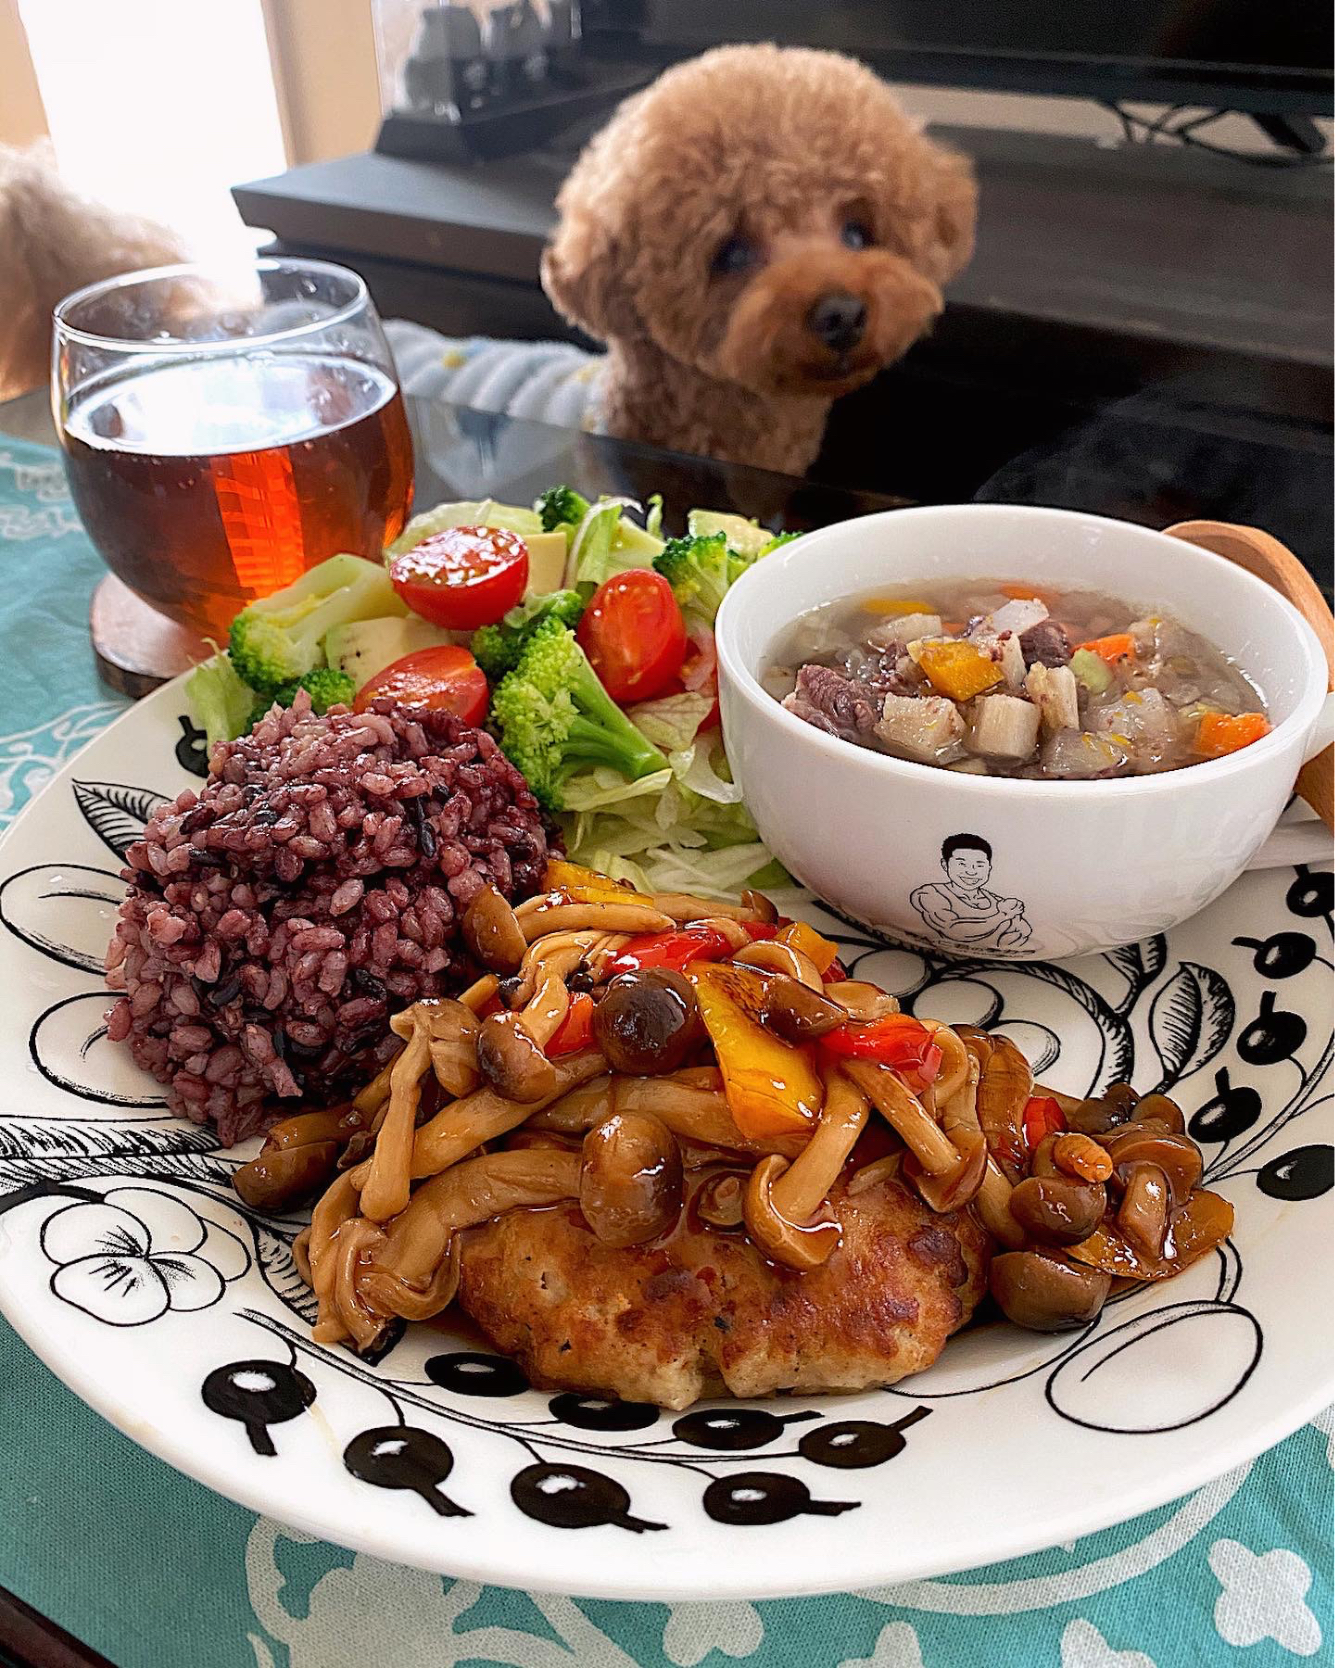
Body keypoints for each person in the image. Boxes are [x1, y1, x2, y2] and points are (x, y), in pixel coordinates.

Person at [910, 834, 1032, 952]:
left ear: (989, 868)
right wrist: (1003, 916)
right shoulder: (930, 894)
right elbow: (954, 930)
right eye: (962, 864)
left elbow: (1022, 932)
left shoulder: (998, 902)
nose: (971, 872)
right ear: (945, 865)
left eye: (979, 865)